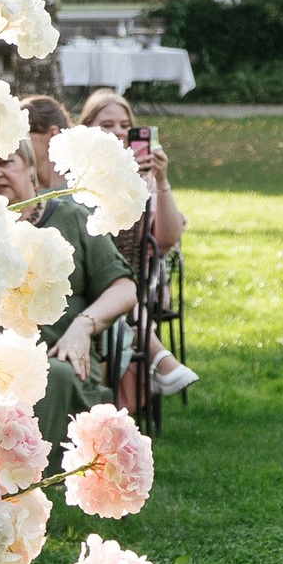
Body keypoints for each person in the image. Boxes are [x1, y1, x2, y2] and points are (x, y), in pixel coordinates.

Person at [0, 143, 137, 448]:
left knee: (52, 375)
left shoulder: (73, 218)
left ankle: (37, 479)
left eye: (4, 162)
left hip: (63, 356)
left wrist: (84, 325)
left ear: (31, 169)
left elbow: (124, 288)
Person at [76, 84, 195, 390]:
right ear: (85, 129)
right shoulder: (73, 178)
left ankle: (137, 375)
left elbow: (167, 239)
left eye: (125, 126)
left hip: (143, 283)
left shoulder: (142, 181)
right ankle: (159, 362)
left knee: (122, 291)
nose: (118, 132)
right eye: (107, 125)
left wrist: (160, 180)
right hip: (87, 281)